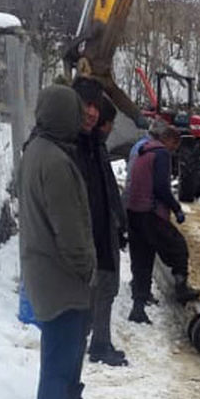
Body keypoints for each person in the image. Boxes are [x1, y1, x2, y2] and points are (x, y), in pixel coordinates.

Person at [17, 84, 96, 399]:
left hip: (45, 273)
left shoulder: (36, 150)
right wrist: (86, 268)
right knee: (57, 367)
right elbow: (71, 231)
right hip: (61, 279)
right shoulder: (56, 162)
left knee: (57, 362)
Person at [125, 121, 200, 323]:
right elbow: (161, 187)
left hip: (134, 212)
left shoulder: (142, 150)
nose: (174, 150)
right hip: (151, 213)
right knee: (178, 247)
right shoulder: (161, 154)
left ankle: (138, 308)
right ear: (168, 140)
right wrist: (176, 209)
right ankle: (181, 288)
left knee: (143, 260)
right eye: (174, 145)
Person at [88, 96, 129, 366]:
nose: (111, 129)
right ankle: (99, 344)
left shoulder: (97, 149)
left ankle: (99, 340)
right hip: (100, 235)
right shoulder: (92, 150)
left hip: (106, 231)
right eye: (109, 124)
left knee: (105, 291)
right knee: (104, 290)